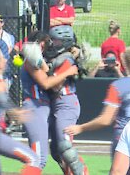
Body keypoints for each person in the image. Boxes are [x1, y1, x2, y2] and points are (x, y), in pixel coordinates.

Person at [65, 46, 130, 174]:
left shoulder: (119, 85)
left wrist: (81, 128)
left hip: (125, 140)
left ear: (125, 62)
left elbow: (105, 120)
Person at [20, 30, 78, 170]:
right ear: (40, 44)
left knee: (58, 152)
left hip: (43, 107)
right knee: (38, 158)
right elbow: (46, 83)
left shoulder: (38, 59)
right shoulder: (31, 59)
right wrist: (68, 72)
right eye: (48, 42)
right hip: (35, 106)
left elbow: (48, 72)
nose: (50, 46)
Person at [46, 25, 89, 175]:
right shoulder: (58, 58)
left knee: (65, 146)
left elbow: (55, 86)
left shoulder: (66, 59)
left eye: (56, 41)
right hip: (56, 104)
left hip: (66, 103)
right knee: (55, 150)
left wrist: (47, 76)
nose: (53, 44)